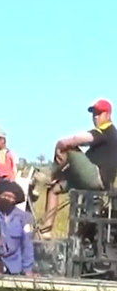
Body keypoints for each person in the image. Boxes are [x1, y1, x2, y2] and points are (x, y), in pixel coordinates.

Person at [39, 99, 117, 238]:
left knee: (67, 146)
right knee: (54, 190)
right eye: (94, 114)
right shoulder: (103, 135)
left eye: (99, 113)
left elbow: (79, 139)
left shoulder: (108, 130)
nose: (95, 117)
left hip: (97, 177)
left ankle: (51, 175)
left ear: (108, 115)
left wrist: (60, 143)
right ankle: (46, 231)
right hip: (89, 177)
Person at [0, 180, 35, 276]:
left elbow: (27, 244)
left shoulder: (24, 218)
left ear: (15, 200)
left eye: (11, 197)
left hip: (15, 266)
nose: (7, 199)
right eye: (5, 195)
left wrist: (27, 269)